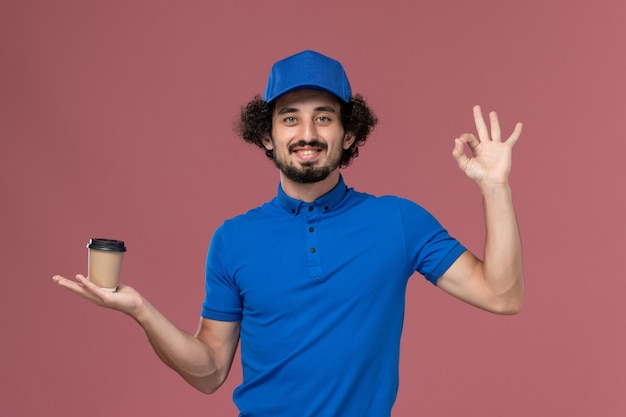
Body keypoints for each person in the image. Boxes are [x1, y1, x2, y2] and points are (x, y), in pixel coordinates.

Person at [53, 50, 524, 417]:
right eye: (290, 117)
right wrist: (141, 310)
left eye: (324, 116)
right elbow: (210, 371)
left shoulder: (398, 222)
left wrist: (495, 188)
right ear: (266, 135)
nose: (307, 132)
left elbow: (502, 295)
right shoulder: (233, 239)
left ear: (349, 134)